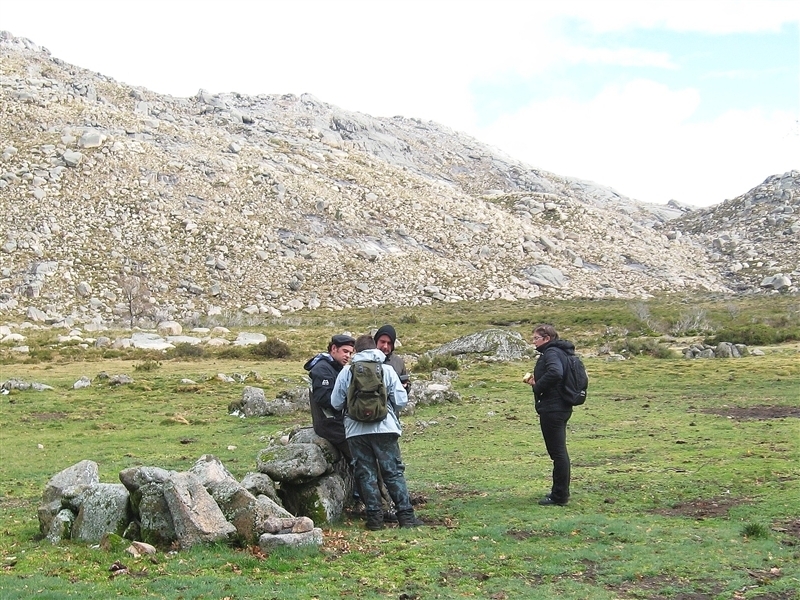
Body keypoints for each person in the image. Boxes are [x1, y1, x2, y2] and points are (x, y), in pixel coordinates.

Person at [331, 335, 425, 530]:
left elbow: (336, 403)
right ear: (374, 348)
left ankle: (375, 519)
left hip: (356, 431)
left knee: (366, 474)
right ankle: (406, 516)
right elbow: (401, 401)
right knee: (393, 472)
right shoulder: (386, 369)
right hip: (385, 428)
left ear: (356, 351)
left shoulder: (347, 371)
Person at [525, 324, 575, 506]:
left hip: (553, 408)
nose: (533, 342)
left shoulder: (551, 353)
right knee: (559, 452)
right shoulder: (562, 352)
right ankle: (560, 492)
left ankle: (559, 496)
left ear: (546, 339)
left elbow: (555, 372)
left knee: (558, 453)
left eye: (536, 338)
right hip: (562, 406)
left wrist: (537, 386)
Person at [303, 334, 356, 459]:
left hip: (338, 421)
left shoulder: (335, 367)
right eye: (345, 351)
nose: (348, 356)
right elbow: (324, 399)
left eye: (350, 353)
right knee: (359, 455)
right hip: (330, 424)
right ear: (334, 349)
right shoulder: (322, 369)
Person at [374, 324, 410, 391]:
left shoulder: (399, 362)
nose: (385, 346)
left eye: (389, 343)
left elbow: (407, 385)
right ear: (376, 341)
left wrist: (406, 386)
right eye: (382, 342)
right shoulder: (366, 360)